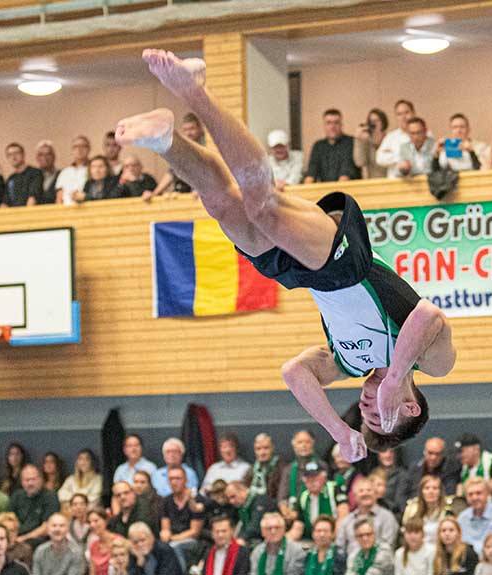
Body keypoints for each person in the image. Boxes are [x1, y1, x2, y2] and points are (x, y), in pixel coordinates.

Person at [116, 51, 456, 460]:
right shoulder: (431, 363)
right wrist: (395, 376)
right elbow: (428, 316)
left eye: (365, 418)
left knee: (223, 205)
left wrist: (338, 429)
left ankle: (165, 140)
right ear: (410, 407)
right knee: (263, 206)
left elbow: (293, 372)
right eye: (380, 417)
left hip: (304, 277)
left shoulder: (348, 364)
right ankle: (194, 91)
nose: (366, 411)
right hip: (346, 263)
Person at [147, 113, 206, 200]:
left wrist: (201, 190)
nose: (189, 133)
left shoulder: (207, 148)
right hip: (182, 194)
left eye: (192, 129)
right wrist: (155, 193)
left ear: (200, 129)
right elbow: (171, 173)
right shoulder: (183, 149)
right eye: (185, 130)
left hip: (200, 195)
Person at [335, 478, 398, 557]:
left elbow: (388, 546)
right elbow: (340, 548)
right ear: (354, 497)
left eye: (369, 490)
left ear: (375, 494)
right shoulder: (347, 521)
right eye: (361, 491)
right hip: (351, 566)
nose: (365, 493)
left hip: (379, 566)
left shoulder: (387, 517)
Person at [288, 461, 349, 541]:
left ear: (324, 477)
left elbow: (343, 516)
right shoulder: (303, 496)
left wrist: (331, 538)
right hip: (313, 541)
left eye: (315, 477)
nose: (312, 481)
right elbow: (298, 526)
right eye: (308, 478)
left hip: (335, 539)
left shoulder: (334, 488)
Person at [397, 439, 460, 514]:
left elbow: (449, 495)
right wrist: (407, 511)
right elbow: (401, 493)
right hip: (413, 511)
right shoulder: (414, 468)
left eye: (437, 454)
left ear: (443, 454)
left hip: (438, 513)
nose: (433, 457)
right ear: (424, 452)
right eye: (430, 453)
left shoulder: (450, 470)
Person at [159, 467, 204, 572]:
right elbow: (165, 527)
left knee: (174, 547)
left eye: (178, 478)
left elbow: (194, 532)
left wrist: (173, 538)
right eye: (171, 479)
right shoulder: (166, 501)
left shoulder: (195, 499)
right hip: (172, 539)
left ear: (185, 480)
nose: (174, 482)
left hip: (193, 541)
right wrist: (165, 534)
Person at [9, 464, 61, 547]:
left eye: (33, 479)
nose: (30, 483)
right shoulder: (16, 496)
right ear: (21, 482)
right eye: (26, 480)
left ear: (40, 480)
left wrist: (23, 538)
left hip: (38, 540)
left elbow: (46, 527)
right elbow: (8, 520)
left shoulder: (50, 496)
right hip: (16, 537)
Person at [303, 108, 360, 183]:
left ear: (341, 125)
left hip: (348, 190)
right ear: (324, 126)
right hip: (326, 190)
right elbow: (311, 172)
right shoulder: (318, 146)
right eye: (329, 123)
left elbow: (346, 172)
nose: (332, 127)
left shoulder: (351, 142)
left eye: (336, 123)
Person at [278, 430, 319, 521]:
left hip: (313, 512)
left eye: (307, 442)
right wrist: (285, 511)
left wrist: (298, 513)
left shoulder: (321, 467)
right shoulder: (288, 469)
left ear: (313, 444)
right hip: (290, 514)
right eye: (300, 442)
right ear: (294, 446)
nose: (304, 445)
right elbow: (282, 496)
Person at [401, 475, 455, 545]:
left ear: (440, 492)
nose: (431, 491)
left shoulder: (448, 511)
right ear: (421, 492)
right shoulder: (412, 510)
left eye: (435, 488)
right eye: (427, 488)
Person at [457, 477, 492, 557]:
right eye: (470, 494)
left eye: (478, 493)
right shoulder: (462, 518)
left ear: (487, 494)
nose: (474, 498)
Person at [224, 481, 276, 547]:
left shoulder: (260, 500)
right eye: (229, 499)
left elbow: (255, 524)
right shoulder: (242, 508)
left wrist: (242, 538)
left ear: (243, 491)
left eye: (233, 496)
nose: (231, 501)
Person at [455, 435, 492, 499]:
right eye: (458, 452)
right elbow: (459, 493)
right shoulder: (462, 468)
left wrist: (475, 482)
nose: (459, 456)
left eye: (462, 451)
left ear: (476, 449)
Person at [376, 100, 415, 178]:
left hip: (419, 182)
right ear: (396, 117)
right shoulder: (391, 137)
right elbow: (379, 158)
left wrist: (391, 153)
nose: (403, 117)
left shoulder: (425, 134)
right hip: (396, 184)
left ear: (413, 113)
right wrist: (399, 156)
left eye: (406, 112)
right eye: (399, 114)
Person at [246, 433, 286, 501]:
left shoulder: (282, 469)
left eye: (266, 448)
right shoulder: (251, 470)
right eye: (258, 449)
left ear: (272, 448)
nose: (262, 453)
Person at [3, 142, 42, 207]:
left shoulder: (35, 173)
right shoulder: (10, 178)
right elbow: (5, 201)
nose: (13, 157)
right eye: (10, 154)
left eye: (16, 153)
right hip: (13, 214)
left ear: (23, 155)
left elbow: (33, 198)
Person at [353, 109, 388, 179]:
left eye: (376, 121)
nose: (374, 124)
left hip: (390, 179)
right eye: (371, 121)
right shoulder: (367, 142)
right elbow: (359, 162)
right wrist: (358, 140)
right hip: (373, 181)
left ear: (383, 122)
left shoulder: (390, 139)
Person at [55, 135, 90, 205]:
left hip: (87, 209)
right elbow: (59, 198)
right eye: (76, 147)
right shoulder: (65, 172)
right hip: (66, 212)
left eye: (83, 146)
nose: (79, 149)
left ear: (89, 149)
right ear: (72, 150)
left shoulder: (94, 169)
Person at [371, 450, 405, 515]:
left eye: (391, 451)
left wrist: (381, 501)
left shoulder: (402, 475)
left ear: (396, 454)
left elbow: (399, 505)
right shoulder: (373, 473)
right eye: (384, 451)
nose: (388, 455)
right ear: (378, 455)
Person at [88, 508, 115, 575]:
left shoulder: (118, 541)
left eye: (96, 521)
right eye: (89, 522)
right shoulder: (93, 546)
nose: (92, 525)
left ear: (105, 520)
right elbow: (92, 572)